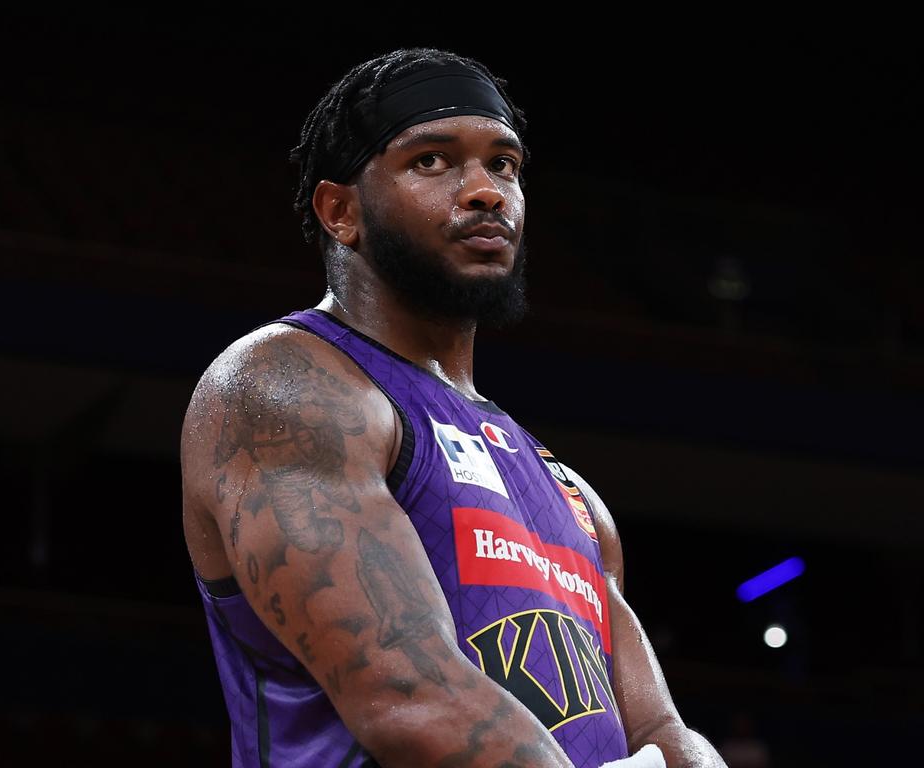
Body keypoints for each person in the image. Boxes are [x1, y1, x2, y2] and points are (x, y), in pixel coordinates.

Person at [180, 47, 726, 768]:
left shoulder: (570, 494)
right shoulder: (286, 386)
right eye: (433, 161)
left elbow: (661, 731)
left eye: (503, 164)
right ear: (341, 211)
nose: (485, 191)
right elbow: (408, 694)